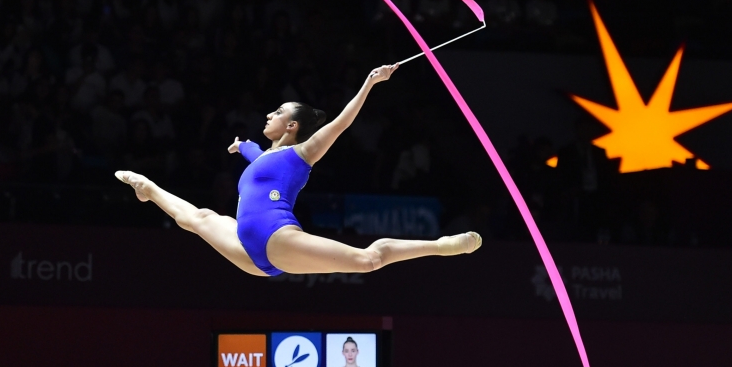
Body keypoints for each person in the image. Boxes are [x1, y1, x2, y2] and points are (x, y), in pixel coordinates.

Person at [115, 64, 481, 277]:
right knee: (199, 218)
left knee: (368, 260)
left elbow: (340, 123)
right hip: (249, 251)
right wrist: (241, 146)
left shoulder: (303, 153)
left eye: (277, 113)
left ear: (292, 126)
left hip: (277, 238)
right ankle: (147, 188)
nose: (269, 114)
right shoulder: (263, 157)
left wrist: (370, 83)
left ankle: (440, 246)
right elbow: (257, 155)